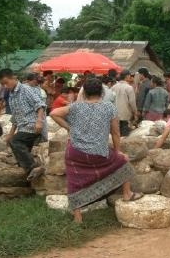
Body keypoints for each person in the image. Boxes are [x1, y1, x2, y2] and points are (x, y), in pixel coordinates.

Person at [49, 78, 143, 223]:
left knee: (74, 181)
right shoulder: (109, 107)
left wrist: (69, 128)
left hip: (75, 152)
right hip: (98, 153)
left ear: (84, 92)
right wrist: (118, 152)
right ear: (102, 92)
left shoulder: (75, 106)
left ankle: (77, 217)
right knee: (123, 161)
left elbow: (54, 113)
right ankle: (127, 194)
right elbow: (116, 133)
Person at [0, 68, 47, 180]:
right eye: (2, 84)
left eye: (6, 82)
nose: (5, 86)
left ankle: (33, 167)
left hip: (32, 125)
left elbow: (40, 105)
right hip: (23, 127)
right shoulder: (11, 95)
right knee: (22, 148)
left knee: (15, 141)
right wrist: (10, 133)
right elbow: (16, 117)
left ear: (14, 78)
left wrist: (39, 122)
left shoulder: (26, 89)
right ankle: (30, 177)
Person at [111, 69, 138, 137]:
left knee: (116, 134)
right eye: (129, 76)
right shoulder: (129, 88)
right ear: (127, 76)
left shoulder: (113, 87)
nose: (130, 77)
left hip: (114, 114)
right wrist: (135, 112)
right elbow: (132, 102)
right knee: (124, 134)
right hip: (125, 114)